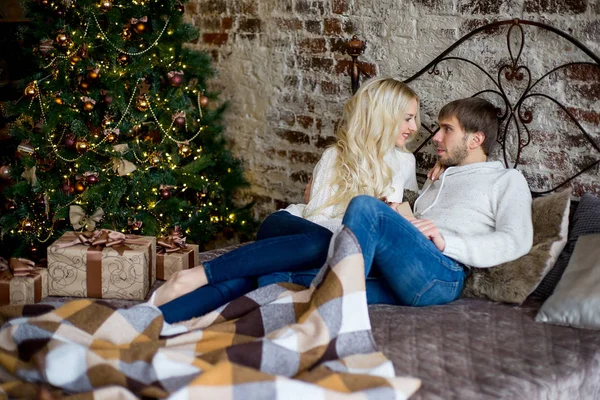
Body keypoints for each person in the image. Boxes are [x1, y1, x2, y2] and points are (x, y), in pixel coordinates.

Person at [152, 76, 421, 320]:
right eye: (407, 118)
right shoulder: (337, 156)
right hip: (291, 227)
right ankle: (198, 275)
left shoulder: (405, 162)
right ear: (383, 116)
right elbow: (317, 216)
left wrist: (440, 174)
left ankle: (160, 317)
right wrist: (355, 227)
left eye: (415, 118)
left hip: (329, 247)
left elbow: (406, 209)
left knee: (255, 279)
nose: (415, 127)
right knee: (323, 241)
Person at [262, 96, 534, 306]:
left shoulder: (507, 180)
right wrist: (399, 214)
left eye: (447, 129)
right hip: (406, 268)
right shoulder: (438, 178)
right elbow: (422, 220)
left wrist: (447, 241)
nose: (436, 137)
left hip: (442, 271)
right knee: (274, 279)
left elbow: (516, 240)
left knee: (365, 205)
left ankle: (336, 319)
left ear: (476, 139)